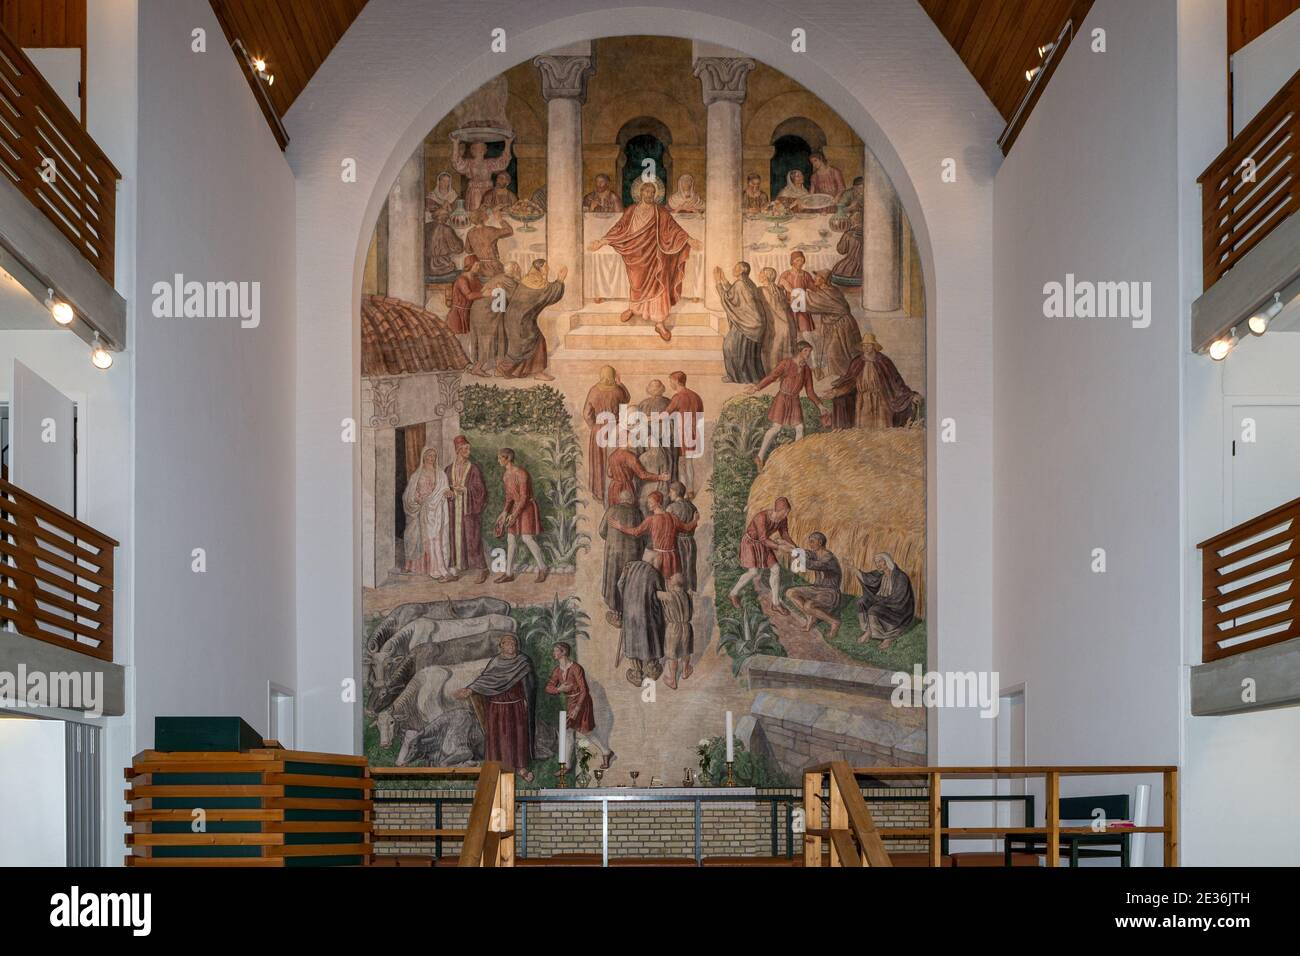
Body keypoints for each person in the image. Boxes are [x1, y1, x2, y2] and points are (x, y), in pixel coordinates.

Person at [588, 180, 702, 342]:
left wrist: (689, 240)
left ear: (655, 195)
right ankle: (634, 308)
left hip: (655, 254)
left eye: (651, 192)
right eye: (646, 192)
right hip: (635, 252)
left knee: (658, 283)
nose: (649, 195)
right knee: (636, 283)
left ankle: (660, 323)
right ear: (640, 193)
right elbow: (620, 227)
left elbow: (674, 228)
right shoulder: (632, 210)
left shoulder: (659, 211)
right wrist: (602, 241)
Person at [453, 633, 535, 781]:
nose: (511, 646)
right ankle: (495, 767)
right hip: (496, 707)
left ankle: (520, 767)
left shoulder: (523, 662)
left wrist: (526, 700)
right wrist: (470, 690)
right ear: (501, 646)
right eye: (507, 643)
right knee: (498, 737)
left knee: (518, 737)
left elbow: (529, 685)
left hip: (516, 707)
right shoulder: (495, 662)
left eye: (513, 643)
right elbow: (485, 680)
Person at [747, 341, 826, 467]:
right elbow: (772, 376)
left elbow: (810, 392)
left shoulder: (806, 370)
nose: (808, 354)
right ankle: (760, 456)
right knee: (776, 428)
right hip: (782, 398)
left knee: (799, 428)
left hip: (794, 400)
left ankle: (796, 457)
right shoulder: (786, 363)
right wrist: (757, 388)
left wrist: (820, 406)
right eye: (806, 351)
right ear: (799, 351)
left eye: (809, 351)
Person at [545, 642, 614, 770]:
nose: (553, 653)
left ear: (563, 652)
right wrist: (559, 689)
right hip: (570, 702)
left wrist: (577, 709)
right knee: (571, 731)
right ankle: (569, 764)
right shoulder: (557, 670)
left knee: (584, 731)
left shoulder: (576, 668)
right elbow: (548, 688)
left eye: (556, 651)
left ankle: (605, 752)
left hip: (582, 702)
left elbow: (584, 690)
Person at [496, 259, 566, 381]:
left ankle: (503, 369)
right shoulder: (537, 284)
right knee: (537, 342)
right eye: (545, 267)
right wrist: (560, 280)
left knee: (518, 346)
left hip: (514, 317)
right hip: (522, 319)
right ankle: (538, 373)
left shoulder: (528, 278)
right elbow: (549, 293)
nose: (548, 269)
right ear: (539, 269)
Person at [606, 490, 698, 582]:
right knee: (671, 585)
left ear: (658, 503)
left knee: (658, 584)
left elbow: (636, 532)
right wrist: (695, 520)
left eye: (650, 502)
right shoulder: (672, 517)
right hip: (673, 557)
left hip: (659, 558)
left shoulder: (652, 519)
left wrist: (620, 527)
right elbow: (687, 528)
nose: (648, 504)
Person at [728, 497, 797, 613]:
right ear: (777, 510)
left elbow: (785, 535)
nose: (785, 516)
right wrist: (780, 547)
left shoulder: (782, 520)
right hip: (751, 543)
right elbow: (763, 539)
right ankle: (733, 593)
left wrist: (796, 548)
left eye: (787, 513)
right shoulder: (762, 517)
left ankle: (775, 603)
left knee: (775, 569)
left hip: (764, 543)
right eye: (784, 512)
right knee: (753, 572)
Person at [494, 448, 548, 583]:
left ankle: (542, 568)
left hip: (526, 508)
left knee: (526, 538)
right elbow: (509, 497)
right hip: (515, 508)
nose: (498, 460)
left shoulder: (521, 473)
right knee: (510, 539)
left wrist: (514, 515)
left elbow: (524, 498)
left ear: (508, 458)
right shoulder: (506, 475)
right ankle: (509, 573)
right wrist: (505, 512)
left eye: (501, 458)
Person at [401, 447, 453, 581]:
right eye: (428, 456)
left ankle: (439, 568)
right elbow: (409, 494)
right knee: (426, 539)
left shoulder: (440, 473)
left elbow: (445, 488)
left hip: (436, 510)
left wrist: (447, 492)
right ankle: (433, 568)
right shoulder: (417, 475)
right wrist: (417, 498)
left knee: (436, 539)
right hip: (423, 508)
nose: (431, 458)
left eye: (433, 456)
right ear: (423, 457)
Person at [444, 436, 489, 583]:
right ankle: (454, 571)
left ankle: (482, 569)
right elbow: (443, 489)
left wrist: (464, 489)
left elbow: (481, 490)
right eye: (465, 448)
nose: (468, 451)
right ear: (458, 450)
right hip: (453, 509)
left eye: (468, 448)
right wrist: (448, 492)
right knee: (453, 539)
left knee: (472, 539)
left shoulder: (473, 468)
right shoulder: (449, 469)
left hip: (469, 509)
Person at [583, 366, 630, 502]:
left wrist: (594, 426)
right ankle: (612, 492)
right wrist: (621, 384)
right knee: (612, 459)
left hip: (598, 429)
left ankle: (598, 493)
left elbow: (586, 413)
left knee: (598, 460)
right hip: (614, 428)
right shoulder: (618, 390)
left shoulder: (594, 390)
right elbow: (627, 399)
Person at [715, 262, 768, 384]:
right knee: (746, 351)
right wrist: (724, 280)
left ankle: (736, 376)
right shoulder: (747, 282)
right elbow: (734, 295)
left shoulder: (740, 284)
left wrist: (718, 282)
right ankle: (751, 377)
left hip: (746, 323)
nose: (733, 268)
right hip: (753, 322)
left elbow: (728, 298)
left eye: (736, 267)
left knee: (730, 347)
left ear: (741, 271)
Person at [598, 489, 645, 625]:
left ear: (620, 499)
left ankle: (616, 614)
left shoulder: (612, 510)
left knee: (614, 579)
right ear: (631, 499)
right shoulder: (638, 512)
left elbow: (602, 531)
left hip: (614, 552)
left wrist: (614, 538)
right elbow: (643, 534)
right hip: (633, 553)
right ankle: (628, 610)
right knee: (629, 579)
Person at [856, 333, 921, 429]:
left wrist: (910, 395)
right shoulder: (857, 362)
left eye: (868, 345)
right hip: (863, 401)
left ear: (874, 346)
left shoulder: (883, 361)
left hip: (881, 399)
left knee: (883, 430)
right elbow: (847, 381)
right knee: (865, 432)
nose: (866, 348)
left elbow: (895, 380)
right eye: (864, 345)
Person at [617, 556, 666, 686]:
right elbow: (660, 594)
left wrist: (628, 599)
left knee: (632, 641)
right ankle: (652, 668)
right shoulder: (654, 573)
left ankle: (636, 673)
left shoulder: (630, 567)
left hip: (630, 613)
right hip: (646, 614)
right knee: (649, 638)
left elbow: (620, 585)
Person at [785, 532, 844, 638]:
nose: (809, 544)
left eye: (812, 541)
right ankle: (811, 617)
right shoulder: (815, 553)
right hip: (816, 589)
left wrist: (796, 554)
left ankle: (834, 622)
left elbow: (812, 565)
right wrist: (789, 547)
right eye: (809, 541)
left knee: (808, 605)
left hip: (829, 592)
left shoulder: (829, 558)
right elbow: (803, 552)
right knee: (791, 592)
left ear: (820, 542)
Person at [806, 269, 861, 381]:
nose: (814, 279)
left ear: (823, 280)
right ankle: (846, 376)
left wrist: (796, 294)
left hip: (842, 325)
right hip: (837, 324)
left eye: (817, 277)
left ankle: (846, 377)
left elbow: (811, 303)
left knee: (836, 352)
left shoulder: (829, 293)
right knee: (843, 352)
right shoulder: (828, 291)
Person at [856, 553, 915, 649]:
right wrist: (851, 567)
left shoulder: (900, 577)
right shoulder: (882, 575)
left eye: (880, 561)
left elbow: (898, 598)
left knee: (874, 610)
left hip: (897, 608)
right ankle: (868, 630)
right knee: (861, 602)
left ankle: (887, 636)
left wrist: (879, 600)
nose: (877, 564)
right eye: (876, 562)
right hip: (884, 602)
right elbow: (868, 579)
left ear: (887, 561)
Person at [467, 266, 515, 376]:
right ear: (514, 271)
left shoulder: (499, 277)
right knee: (487, 340)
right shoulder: (509, 281)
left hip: (481, 310)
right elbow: (515, 298)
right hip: (486, 313)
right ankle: (478, 368)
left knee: (497, 336)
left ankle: (498, 368)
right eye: (518, 270)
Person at [664, 372, 704, 496]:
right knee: (689, 463)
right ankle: (691, 491)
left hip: (682, 434)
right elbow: (700, 415)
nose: (670, 383)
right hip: (693, 432)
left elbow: (665, 414)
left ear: (676, 381)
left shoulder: (678, 397)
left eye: (671, 381)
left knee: (681, 463)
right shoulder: (696, 396)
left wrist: (648, 418)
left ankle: (683, 492)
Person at [635, 379, 673, 507]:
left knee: (647, 464)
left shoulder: (642, 404)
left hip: (649, 443)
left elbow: (637, 425)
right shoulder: (669, 402)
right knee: (666, 464)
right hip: (665, 441)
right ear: (662, 389)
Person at [451, 136, 514, 211]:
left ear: (485, 150)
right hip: (474, 193)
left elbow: (503, 162)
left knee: (489, 212)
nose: (480, 151)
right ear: (473, 151)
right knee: (475, 214)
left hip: (488, 191)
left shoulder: (489, 163)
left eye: (482, 148)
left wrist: (508, 143)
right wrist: (455, 143)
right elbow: (457, 163)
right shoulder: (469, 163)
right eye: (477, 149)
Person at [758, 266, 799, 372]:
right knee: (783, 350)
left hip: (774, 325)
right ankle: (785, 372)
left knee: (772, 350)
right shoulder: (779, 289)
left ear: (766, 276)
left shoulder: (761, 290)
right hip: (787, 324)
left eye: (761, 273)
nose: (759, 275)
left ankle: (774, 374)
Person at [778, 251, 816, 363]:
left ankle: (814, 363)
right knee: (792, 337)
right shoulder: (786, 274)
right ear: (792, 261)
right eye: (798, 260)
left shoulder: (805, 275)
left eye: (802, 260)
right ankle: (794, 363)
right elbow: (778, 290)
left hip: (802, 309)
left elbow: (814, 289)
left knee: (808, 337)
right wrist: (784, 286)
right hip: (789, 309)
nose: (800, 263)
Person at [657, 575, 694, 690]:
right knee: (685, 650)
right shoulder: (687, 595)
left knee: (673, 655)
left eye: (671, 578)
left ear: (674, 583)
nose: (669, 577)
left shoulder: (669, 595)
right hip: (686, 626)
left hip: (673, 628)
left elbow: (656, 594)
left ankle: (672, 680)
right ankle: (685, 671)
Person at [666, 481, 698, 592]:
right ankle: (691, 592)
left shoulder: (671, 508)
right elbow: (694, 526)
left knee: (678, 569)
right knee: (690, 568)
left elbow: (668, 528)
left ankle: (680, 595)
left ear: (676, 492)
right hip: (690, 541)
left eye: (670, 491)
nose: (669, 494)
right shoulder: (692, 506)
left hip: (677, 542)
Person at [465, 206, 514, 276]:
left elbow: (468, 250)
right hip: (493, 267)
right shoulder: (490, 230)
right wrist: (500, 219)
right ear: (483, 218)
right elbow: (509, 231)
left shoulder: (470, 232)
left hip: (479, 268)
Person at [446, 255, 484, 336]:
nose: (478, 268)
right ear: (470, 265)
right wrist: (485, 294)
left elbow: (482, 290)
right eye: (476, 265)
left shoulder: (475, 279)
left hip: (469, 314)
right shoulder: (462, 280)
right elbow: (469, 295)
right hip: (458, 315)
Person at [426, 205, 464, 280]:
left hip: (426, 265)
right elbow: (458, 249)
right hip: (441, 265)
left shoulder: (426, 226)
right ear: (444, 217)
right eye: (447, 217)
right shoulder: (447, 229)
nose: (447, 219)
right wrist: (460, 240)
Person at [830, 209, 864, 287]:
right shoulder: (869, 233)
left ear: (853, 221)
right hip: (865, 268)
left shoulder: (848, 234)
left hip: (849, 269)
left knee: (835, 275)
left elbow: (841, 250)